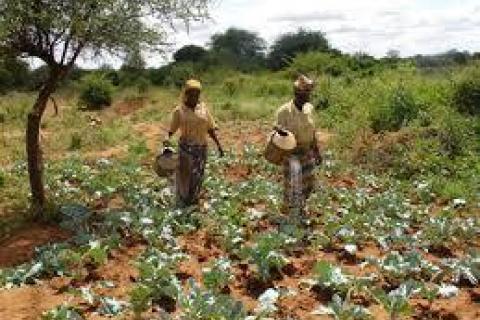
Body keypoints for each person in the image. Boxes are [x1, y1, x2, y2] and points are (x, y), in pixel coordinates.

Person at [164, 79, 224, 207]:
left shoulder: (203, 109)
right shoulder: (179, 111)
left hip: (201, 149)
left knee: (198, 176)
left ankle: (193, 200)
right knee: (185, 176)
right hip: (186, 150)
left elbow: (210, 128)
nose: (194, 97)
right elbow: (171, 130)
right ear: (186, 94)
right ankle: (182, 201)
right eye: (191, 94)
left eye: (197, 94)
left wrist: (219, 146)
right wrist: (166, 139)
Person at [274, 75, 322, 216]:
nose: (308, 96)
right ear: (297, 94)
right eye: (306, 93)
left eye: (309, 93)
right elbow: (275, 131)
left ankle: (301, 206)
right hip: (291, 153)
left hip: (307, 151)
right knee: (293, 183)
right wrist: (280, 132)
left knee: (308, 183)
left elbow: (313, 132)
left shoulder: (309, 109)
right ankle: (288, 211)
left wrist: (317, 151)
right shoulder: (284, 111)